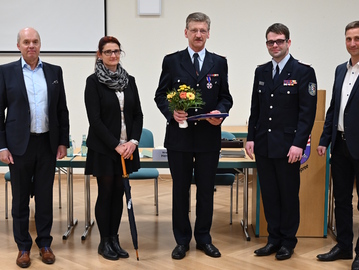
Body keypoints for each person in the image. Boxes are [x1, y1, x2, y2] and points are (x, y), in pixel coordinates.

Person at [154, 12, 233, 260]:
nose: (198, 34)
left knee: (206, 190)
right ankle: (181, 240)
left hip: (209, 137)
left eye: (202, 30)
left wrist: (220, 112)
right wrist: (171, 112)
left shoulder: (219, 62)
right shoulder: (172, 61)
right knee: (180, 190)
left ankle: (204, 238)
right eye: (193, 30)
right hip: (180, 139)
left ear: (208, 33)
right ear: (185, 32)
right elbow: (160, 95)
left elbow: (225, 97)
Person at [245, 23, 317, 260]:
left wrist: (299, 143)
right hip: (264, 144)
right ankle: (273, 238)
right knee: (269, 194)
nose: (274, 45)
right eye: (270, 42)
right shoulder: (262, 71)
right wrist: (251, 137)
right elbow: (255, 109)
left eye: (279, 41)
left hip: (288, 147)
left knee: (288, 194)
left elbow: (307, 113)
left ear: (288, 42)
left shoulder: (303, 72)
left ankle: (288, 240)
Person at [0, 27, 69, 268]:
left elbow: (62, 109)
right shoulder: (5, 72)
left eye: (35, 41)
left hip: (47, 144)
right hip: (19, 146)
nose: (31, 45)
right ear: (18, 45)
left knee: (44, 197)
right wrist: (2, 147)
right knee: (19, 199)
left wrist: (63, 141)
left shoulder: (53, 71)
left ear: (40, 45)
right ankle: (23, 247)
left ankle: (45, 244)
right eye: (26, 42)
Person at [316, 21, 359, 270]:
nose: (352, 43)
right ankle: (344, 246)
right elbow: (334, 108)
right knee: (341, 199)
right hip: (340, 146)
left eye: (357, 38)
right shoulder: (340, 70)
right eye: (348, 39)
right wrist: (324, 140)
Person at [84, 36, 143, 261]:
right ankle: (104, 241)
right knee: (106, 193)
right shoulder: (93, 82)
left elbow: (138, 115)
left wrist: (133, 142)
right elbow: (95, 120)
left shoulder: (130, 80)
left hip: (127, 149)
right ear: (100, 55)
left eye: (116, 51)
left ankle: (115, 238)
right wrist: (116, 145)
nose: (113, 55)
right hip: (105, 149)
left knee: (119, 193)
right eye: (108, 52)